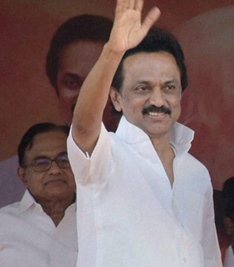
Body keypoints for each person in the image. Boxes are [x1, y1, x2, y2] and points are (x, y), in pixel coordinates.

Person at [66, 0, 220, 266]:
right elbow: (82, 125)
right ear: (115, 98)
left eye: (169, 88)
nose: (158, 101)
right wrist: (113, 52)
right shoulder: (104, 155)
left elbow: (208, 257)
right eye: (143, 88)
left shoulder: (196, 173)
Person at [0, 14, 120, 208]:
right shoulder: (7, 181)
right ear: (56, 87)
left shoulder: (144, 167)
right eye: (72, 82)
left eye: (98, 82)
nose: (85, 97)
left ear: (120, 90)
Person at [0, 123, 77, 267]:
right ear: (23, 176)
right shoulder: (3, 224)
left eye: (64, 160)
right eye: (41, 163)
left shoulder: (101, 218)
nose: (55, 170)